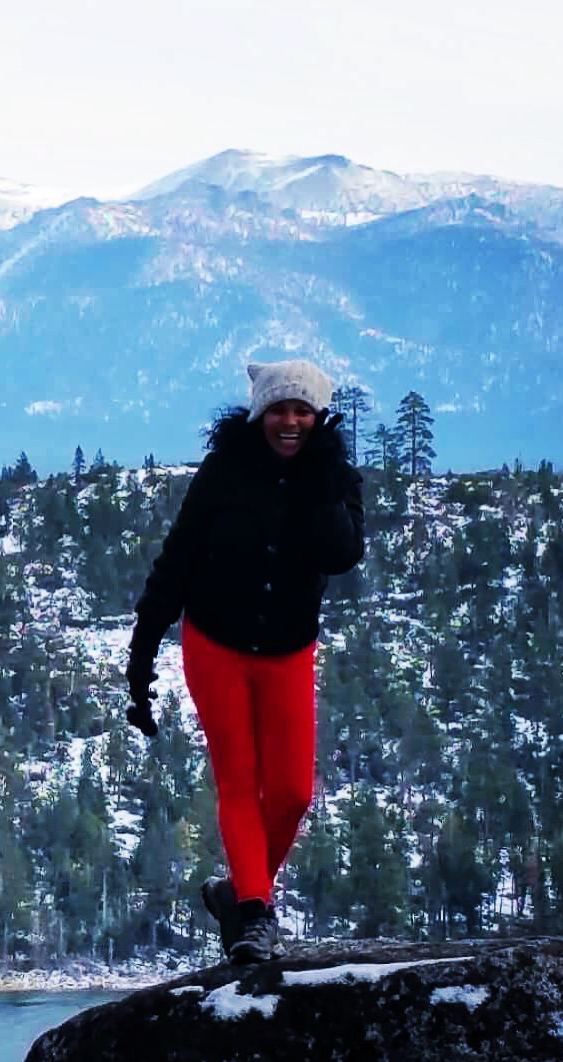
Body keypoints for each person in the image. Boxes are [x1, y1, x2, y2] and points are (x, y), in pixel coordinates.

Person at [124, 360, 365, 965]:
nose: (290, 421)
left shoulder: (333, 476)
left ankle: (237, 892)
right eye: (279, 409)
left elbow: (341, 554)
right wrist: (142, 655)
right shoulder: (225, 470)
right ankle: (256, 914)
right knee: (238, 780)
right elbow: (178, 559)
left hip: (288, 651)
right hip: (217, 646)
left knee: (292, 792)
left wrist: (319, 480)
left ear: (318, 417)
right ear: (260, 413)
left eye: (303, 410)